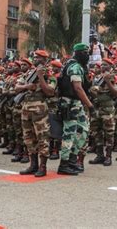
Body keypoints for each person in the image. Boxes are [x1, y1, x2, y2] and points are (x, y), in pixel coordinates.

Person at [16, 50, 55, 177]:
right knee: (28, 137)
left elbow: (50, 91)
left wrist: (40, 77)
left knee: (42, 137)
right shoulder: (29, 72)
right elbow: (17, 87)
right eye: (34, 57)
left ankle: (42, 167)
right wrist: (28, 87)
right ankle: (33, 165)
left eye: (38, 58)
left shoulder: (49, 73)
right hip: (26, 108)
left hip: (40, 109)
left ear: (44, 60)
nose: (35, 59)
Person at [57, 43, 94, 175]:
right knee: (69, 133)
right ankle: (64, 164)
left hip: (76, 104)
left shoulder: (79, 66)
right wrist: (90, 105)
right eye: (85, 53)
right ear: (78, 53)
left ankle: (72, 160)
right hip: (70, 104)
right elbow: (78, 88)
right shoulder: (75, 67)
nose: (87, 56)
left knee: (83, 130)